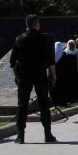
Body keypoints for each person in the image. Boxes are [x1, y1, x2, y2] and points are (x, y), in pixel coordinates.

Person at [9, 14, 57, 144]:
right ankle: (48, 134)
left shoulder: (19, 39)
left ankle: (20, 136)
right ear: (37, 24)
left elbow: (12, 61)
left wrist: (17, 76)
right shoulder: (45, 39)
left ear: (27, 24)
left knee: (22, 106)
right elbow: (51, 60)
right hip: (40, 75)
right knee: (44, 105)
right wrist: (53, 75)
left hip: (24, 75)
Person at [53, 41, 78, 106]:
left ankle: (57, 102)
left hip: (56, 73)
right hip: (64, 74)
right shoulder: (64, 54)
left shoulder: (53, 54)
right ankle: (64, 101)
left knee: (57, 88)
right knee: (64, 88)